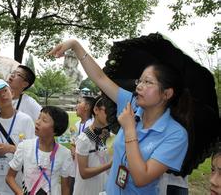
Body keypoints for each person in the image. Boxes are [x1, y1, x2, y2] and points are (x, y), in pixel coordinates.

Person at [49, 39, 191, 194]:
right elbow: (100, 78)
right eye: (140, 80)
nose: (139, 86)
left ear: (167, 93)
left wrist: (129, 129)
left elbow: (141, 177)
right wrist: (75, 45)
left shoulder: (175, 134)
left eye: (148, 82)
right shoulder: (132, 105)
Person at [6, 106, 74, 195]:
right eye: (39, 118)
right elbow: (9, 177)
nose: (37, 122)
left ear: (55, 130)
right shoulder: (25, 147)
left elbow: (65, 186)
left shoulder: (64, 153)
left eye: (44, 120)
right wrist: (20, 193)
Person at [73, 96, 113, 195]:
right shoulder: (84, 139)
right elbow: (84, 173)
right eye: (108, 111)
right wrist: (109, 165)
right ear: (96, 110)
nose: (111, 115)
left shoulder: (112, 137)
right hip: (85, 191)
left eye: (114, 112)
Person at [69, 95, 95, 193]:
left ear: (87, 107)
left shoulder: (92, 125)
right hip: (74, 167)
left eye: (79, 103)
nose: (76, 106)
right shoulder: (76, 125)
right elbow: (73, 142)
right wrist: (72, 146)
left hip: (87, 167)